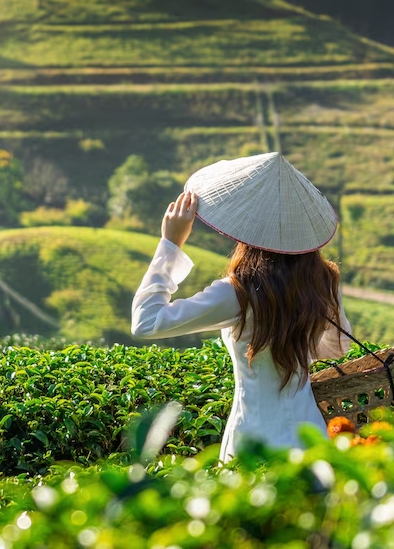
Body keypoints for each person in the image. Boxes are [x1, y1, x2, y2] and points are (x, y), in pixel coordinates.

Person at [130, 153, 352, 461]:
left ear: (247, 228)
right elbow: (337, 347)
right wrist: (291, 334)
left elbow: (147, 321)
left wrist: (170, 245)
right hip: (310, 439)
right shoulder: (323, 279)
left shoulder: (240, 293)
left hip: (255, 441)